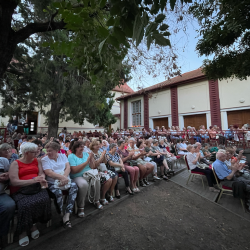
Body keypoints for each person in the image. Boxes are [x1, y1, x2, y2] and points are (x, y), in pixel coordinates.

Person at [9, 142, 51, 247]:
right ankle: (22, 231)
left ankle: (33, 224)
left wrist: (42, 178)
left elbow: (41, 173)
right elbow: (14, 182)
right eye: (35, 152)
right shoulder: (15, 163)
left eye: (38, 151)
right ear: (26, 153)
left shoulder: (38, 160)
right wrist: (33, 180)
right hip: (20, 190)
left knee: (44, 199)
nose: (38, 153)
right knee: (25, 205)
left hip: (36, 188)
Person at [42, 142, 78, 228]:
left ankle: (67, 214)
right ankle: (61, 213)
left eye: (50, 151)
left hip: (66, 179)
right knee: (57, 193)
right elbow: (49, 173)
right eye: (47, 151)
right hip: (52, 182)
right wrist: (62, 178)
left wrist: (65, 177)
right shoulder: (45, 159)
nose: (48, 153)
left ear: (57, 150)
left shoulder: (62, 156)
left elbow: (68, 167)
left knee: (74, 187)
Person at [68, 141, 103, 218]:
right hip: (77, 176)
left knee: (97, 179)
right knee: (83, 184)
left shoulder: (86, 154)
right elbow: (74, 170)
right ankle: (81, 207)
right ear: (76, 148)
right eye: (81, 147)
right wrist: (87, 161)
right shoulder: (71, 156)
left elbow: (93, 167)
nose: (83, 148)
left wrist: (91, 160)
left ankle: (96, 200)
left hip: (89, 173)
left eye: (83, 147)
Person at [0, 157, 15, 249]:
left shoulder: (3, 160)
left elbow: (10, 175)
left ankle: (2, 234)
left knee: (10, 206)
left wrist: (6, 177)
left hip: (1, 194)